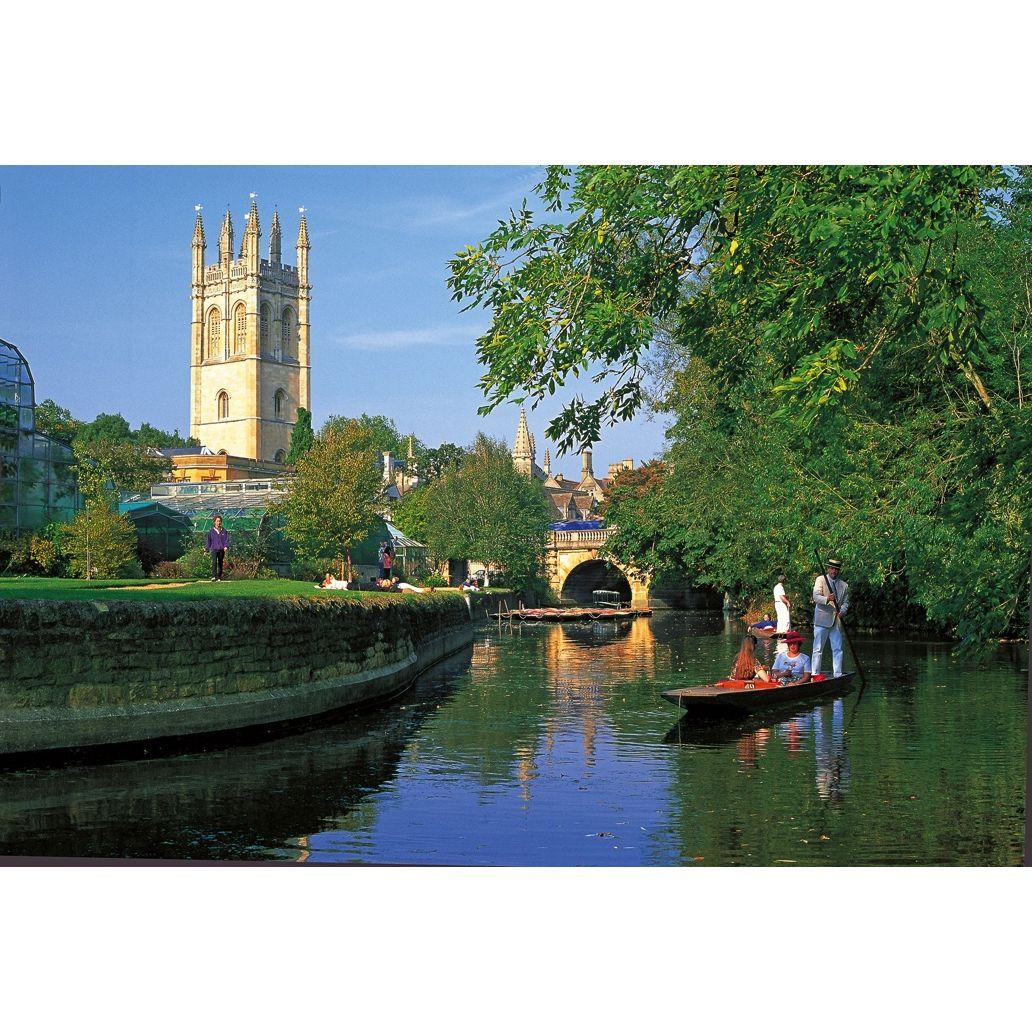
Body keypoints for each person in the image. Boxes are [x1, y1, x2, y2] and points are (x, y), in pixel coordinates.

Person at [811, 557, 850, 678]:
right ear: (828, 569)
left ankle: (837, 674)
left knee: (838, 649)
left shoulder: (844, 585)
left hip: (836, 621)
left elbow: (846, 602)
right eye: (832, 568)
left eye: (836, 569)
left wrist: (842, 611)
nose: (834, 571)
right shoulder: (820, 580)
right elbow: (816, 597)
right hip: (822, 619)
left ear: (839, 570)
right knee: (818, 649)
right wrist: (827, 599)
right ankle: (815, 673)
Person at [204, 515, 230, 582]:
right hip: (214, 549)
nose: (219, 522)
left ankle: (219, 577)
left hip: (221, 550)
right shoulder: (211, 532)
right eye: (217, 521)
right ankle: (213, 576)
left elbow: (227, 540)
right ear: (214, 522)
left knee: (220, 563)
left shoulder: (224, 531)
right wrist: (206, 549)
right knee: (214, 562)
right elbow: (208, 541)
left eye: (220, 521)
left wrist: (226, 546)